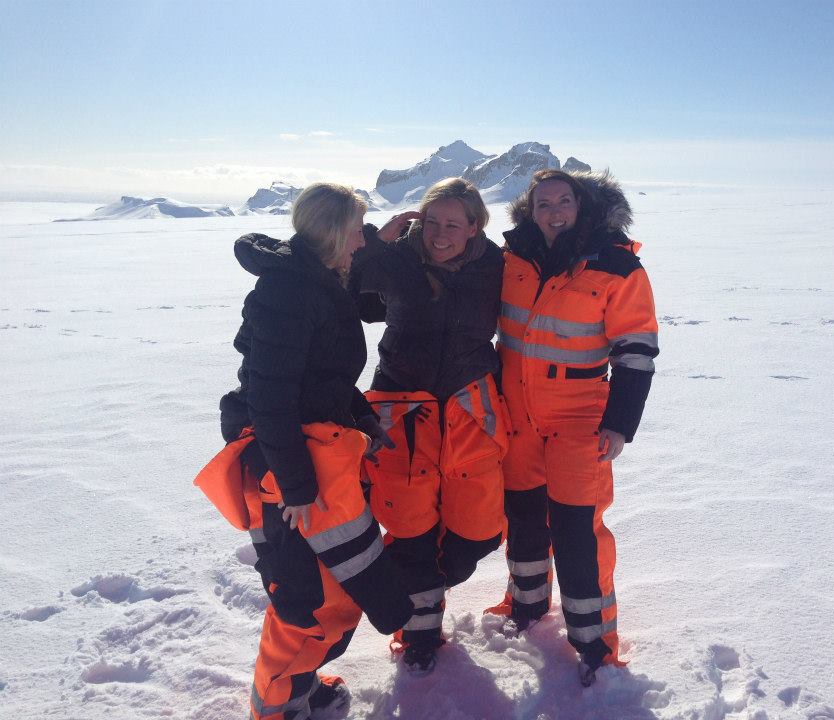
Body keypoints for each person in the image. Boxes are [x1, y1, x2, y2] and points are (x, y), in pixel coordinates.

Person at [195, 183, 414, 719]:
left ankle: (298, 685)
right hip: (283, 461)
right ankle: (275, 707)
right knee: (303, 595)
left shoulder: (322, 278)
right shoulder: (287, 292)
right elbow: (270, 396)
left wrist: (357, 414)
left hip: (319, 449)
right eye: (357, 231)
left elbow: (321, 374)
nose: (362, 242)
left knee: (335, 588)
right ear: (336, 234)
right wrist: (293, 485)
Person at [489, 169, 659, 686]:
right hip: (517, 416)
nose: (554, 210)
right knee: (521, 517)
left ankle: (594, 641)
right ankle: (526, 602)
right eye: (544, 203)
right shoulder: (511, 258)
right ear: (529, 210)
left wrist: (620, 425)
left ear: (583, 207)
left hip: (580, 419)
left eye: (565, 201)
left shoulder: (617, 266)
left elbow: (637, 352)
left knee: (577, 529)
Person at [348, 178, 509, 675]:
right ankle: (419, 634)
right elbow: (349, 278)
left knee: (478, 532)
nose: (440, 234)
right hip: (403, 409)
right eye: (432, 222)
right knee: (411, 527)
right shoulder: (398, 258)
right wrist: (381, 238)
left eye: (453, 224)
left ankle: (439, 578)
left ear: (475, 226)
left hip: (468, 409)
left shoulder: (495, 265)